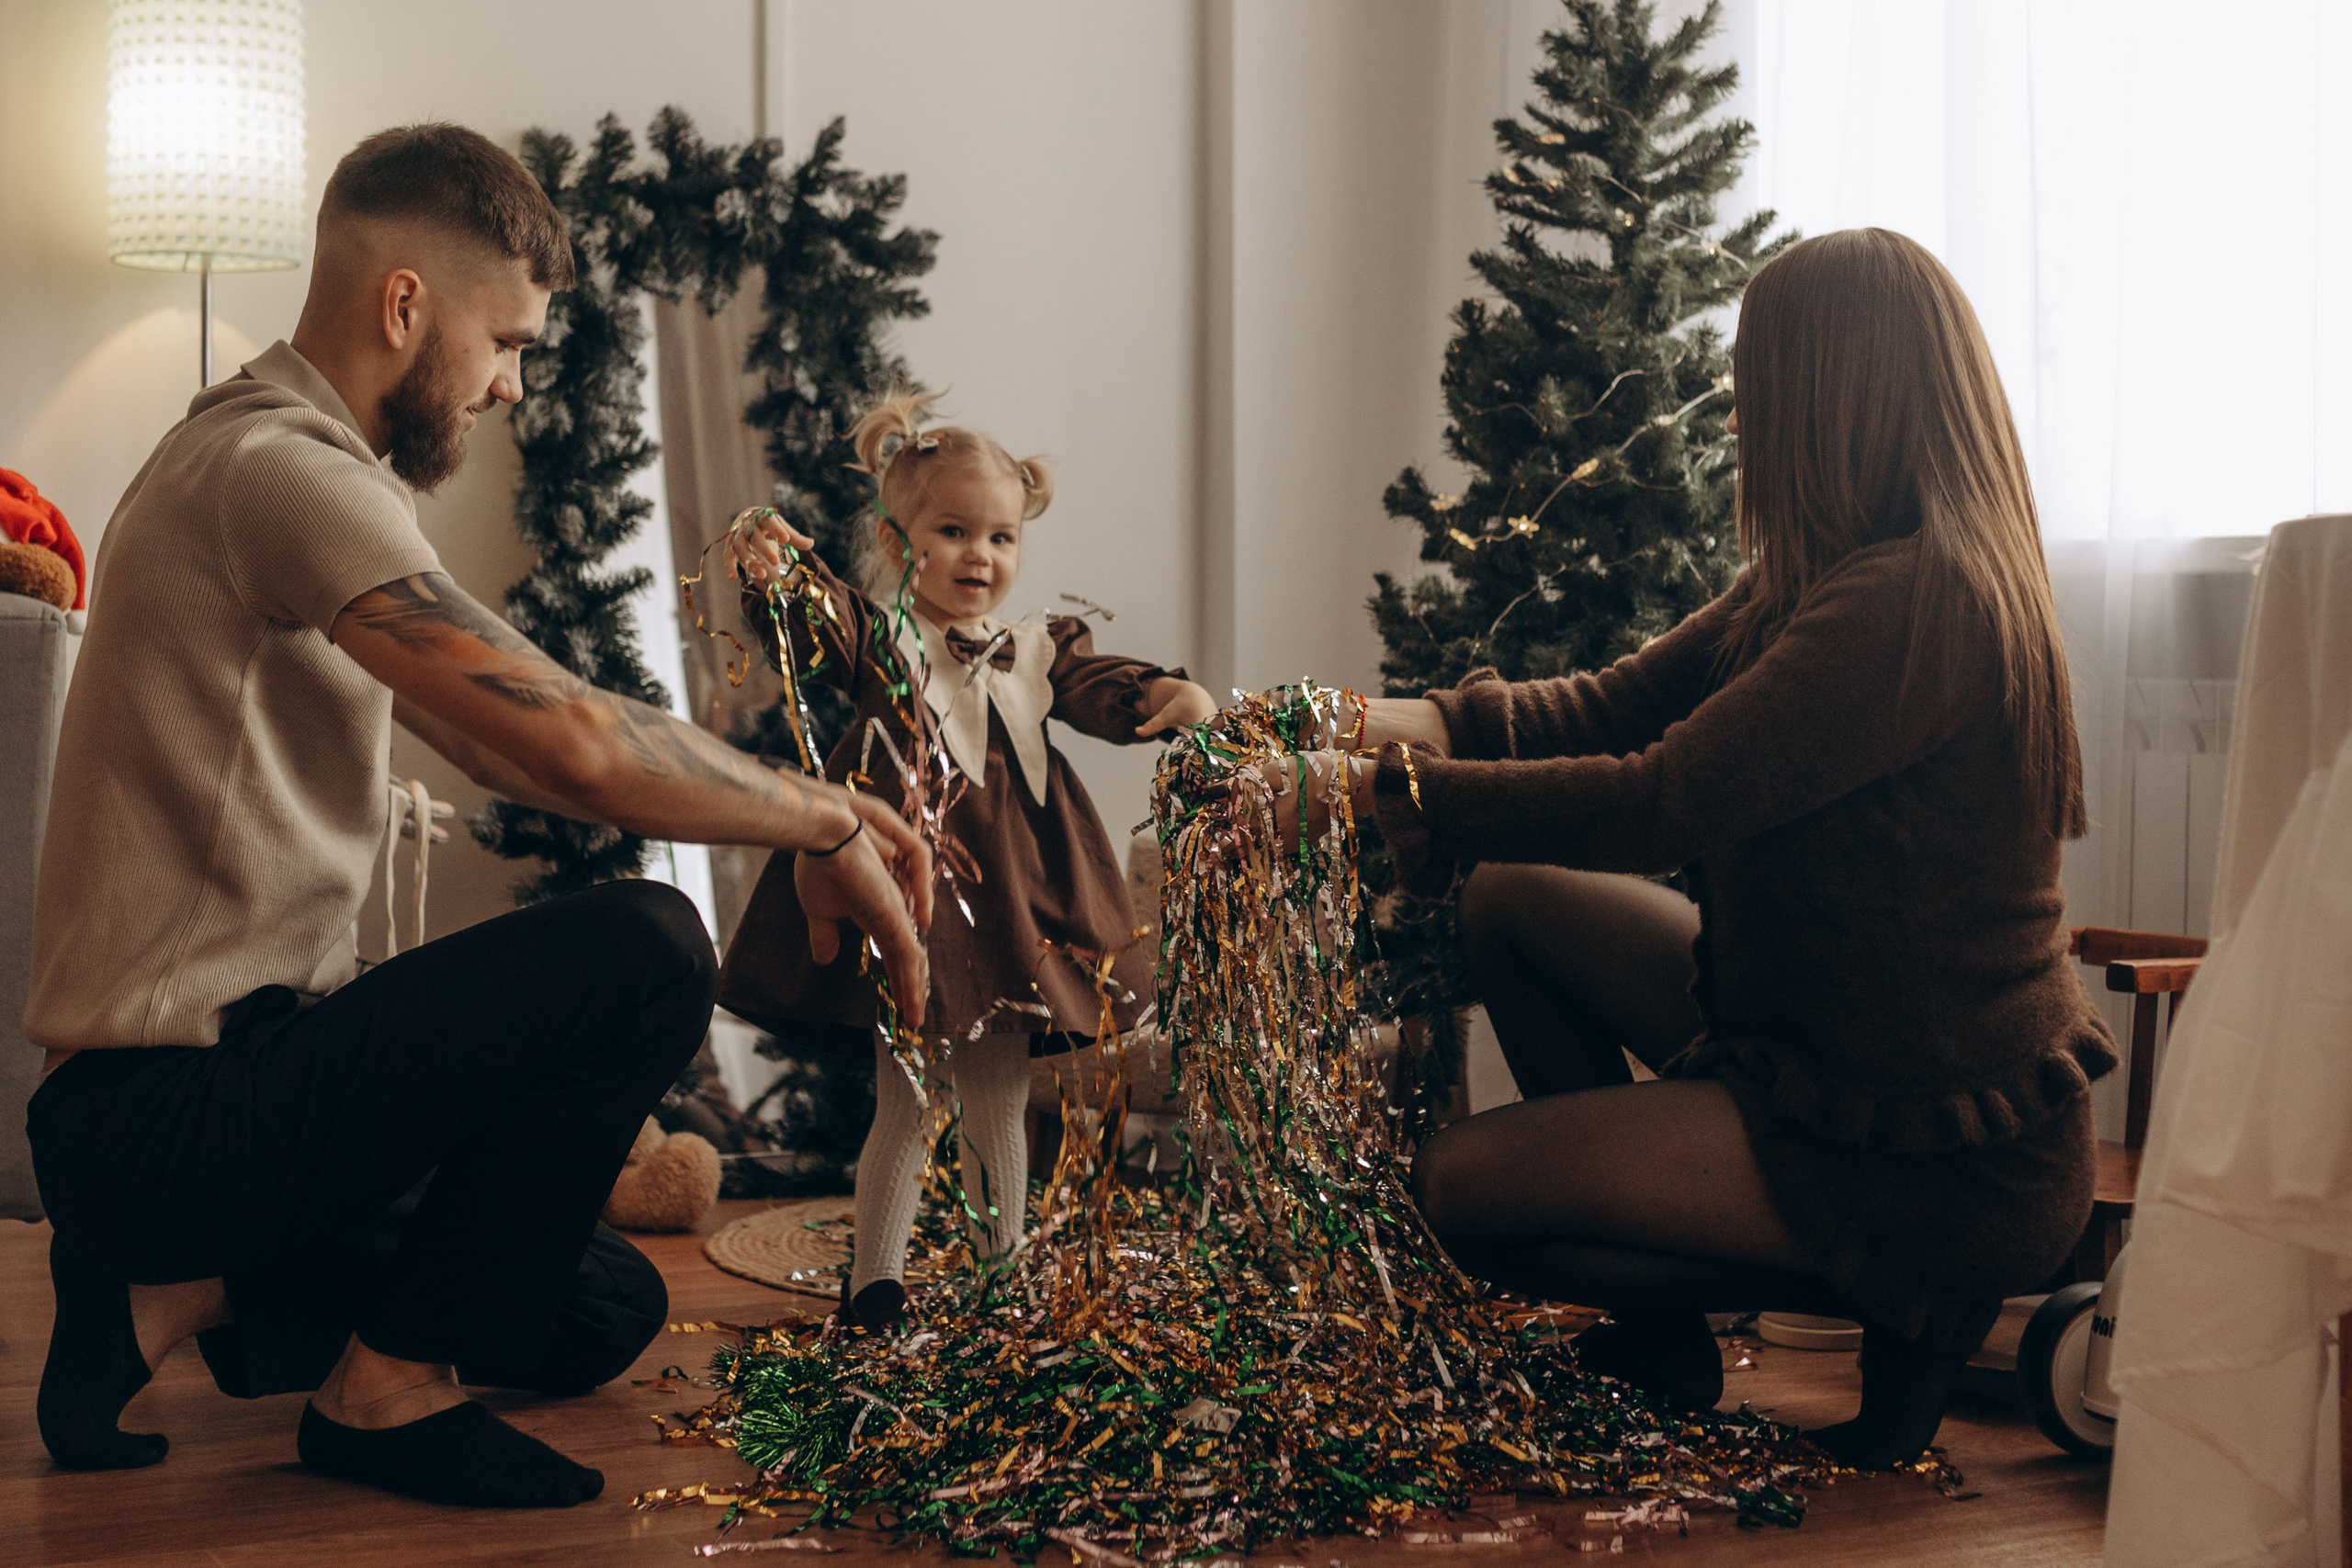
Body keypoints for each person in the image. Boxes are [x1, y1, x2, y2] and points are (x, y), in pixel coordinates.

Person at [23, 124, 932, 1509]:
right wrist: (827, 819)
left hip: (204, 1106)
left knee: (596, 1306)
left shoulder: (287, 464)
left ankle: (151, 1297)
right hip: (167, 1106)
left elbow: (496, 733)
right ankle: (376, 1398)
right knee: (650, 944)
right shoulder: (280, 468)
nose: (511, 381)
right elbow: (567, 740)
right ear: (405, 304)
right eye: (505, 338)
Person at [1271, 229, 2115, 1467]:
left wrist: (1375, 795)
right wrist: (1330, 721)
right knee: (1510, 899)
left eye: (1754, 378)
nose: (1738, 410)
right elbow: (1608, 707)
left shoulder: (1914, 600)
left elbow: (1664, 798)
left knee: (1454, 1186)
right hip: (1828, 1057)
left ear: (1829, 389)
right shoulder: (1818, 579)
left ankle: (1901, 1293)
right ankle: (1668, 1337)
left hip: (1934, 1150)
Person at [721, 389, 1216, 1330]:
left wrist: (1162, 692)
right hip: (912, 897)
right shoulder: (881, 638)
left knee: (998, 1095)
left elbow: (1100, 687)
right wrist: (779, 572)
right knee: (906, 1103)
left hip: (1015, 910)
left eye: (1000, 537)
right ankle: (874, 1286)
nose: (979, 556)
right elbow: (814, 618)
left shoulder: (1035, 649)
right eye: (952, 531)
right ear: (899, 543)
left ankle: (1003, 1283)